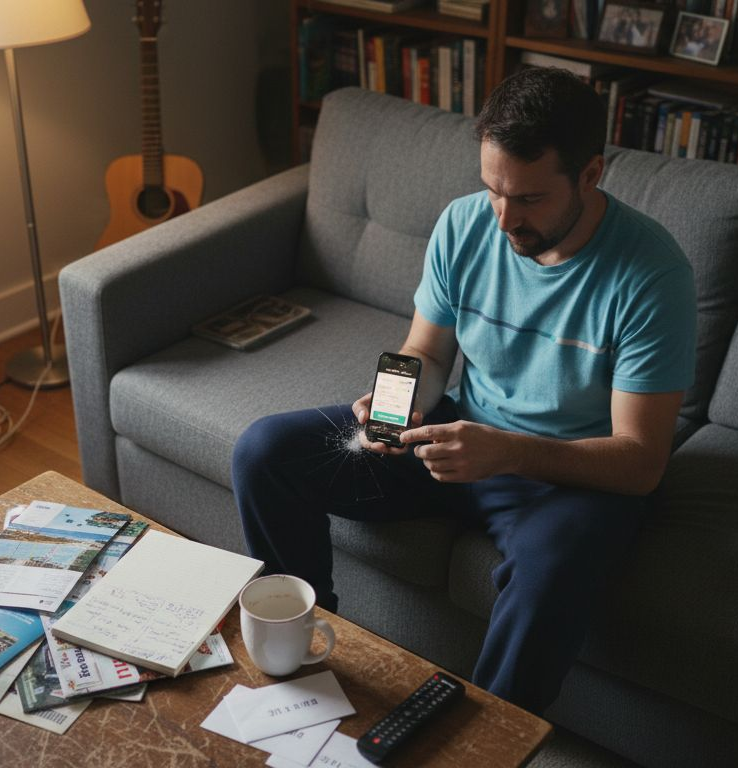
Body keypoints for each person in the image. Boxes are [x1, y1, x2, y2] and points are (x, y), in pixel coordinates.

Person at [231, 67, 696, 716]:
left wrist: (506, 452)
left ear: (590, 175)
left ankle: (488, 746)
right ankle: (303, 652)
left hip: (573, 477)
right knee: (266, 450)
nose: (504, 218)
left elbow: (642, 461)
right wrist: (395, 403)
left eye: (530, 199)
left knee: (553, 567)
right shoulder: (465, 223)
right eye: (493, 190)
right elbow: (427, 351)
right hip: (458, 440)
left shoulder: (651, 275)